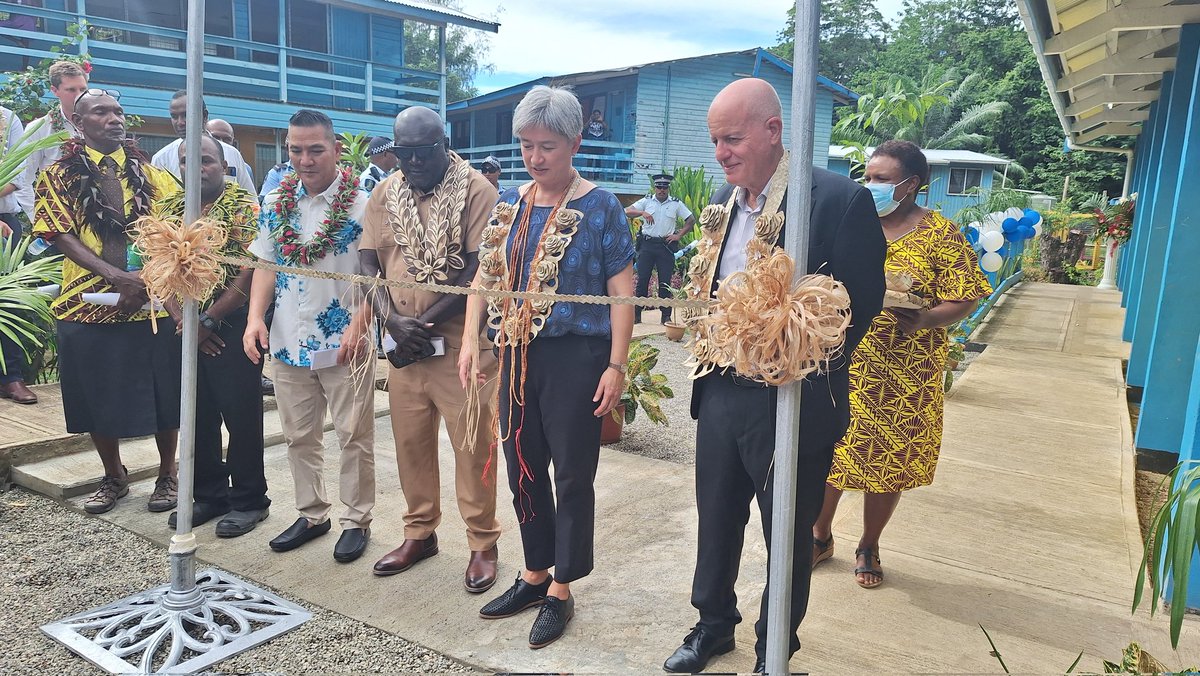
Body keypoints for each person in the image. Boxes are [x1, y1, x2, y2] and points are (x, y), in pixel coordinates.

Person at [662, 78, 885, 674]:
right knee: (716, 517)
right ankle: (712, 625)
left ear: (773, 130)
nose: (721, 153)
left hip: (792, 399)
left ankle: (774, 650)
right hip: (720, 391)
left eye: (731, 138)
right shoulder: (727, 201)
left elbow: (859, 302)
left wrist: (790, 354)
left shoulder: (836, 200)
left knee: (784, 534)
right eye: (715, 141)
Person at [459, 85, 635, 650]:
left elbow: (620, 293)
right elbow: (483, 279)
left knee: (572, 471)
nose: (536, 158)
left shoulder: (600, 205)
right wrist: (470, 343)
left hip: (575, 357)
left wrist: (616, 365)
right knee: (522, 463)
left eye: (549, 147)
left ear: (575, 143)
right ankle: (534, 571)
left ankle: (562, 585)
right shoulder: (510, 201)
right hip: (514, 352)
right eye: (528, 145)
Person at [812, 140, 992, 589]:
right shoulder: (851, 222)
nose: (868, 186)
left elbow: (966, 294)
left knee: (890, 460)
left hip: (906, 372)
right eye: (866, 177)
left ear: (910, 185)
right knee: (832, 452)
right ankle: (819, 536)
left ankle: (869, 544)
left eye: (880, 179)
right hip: (845, 362)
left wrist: (926, 318)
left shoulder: (939, 234)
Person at [359, 107, 501, 592]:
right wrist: (389, 318)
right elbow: (366, 259)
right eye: (405, 153)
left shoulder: (477, 190)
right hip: (404, 339)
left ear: (445, 143)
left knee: (472, 444)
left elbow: (479, 266)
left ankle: (483, 542)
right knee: (410, 443)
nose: (414, 162)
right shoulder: (386, 190)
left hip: (460, 342)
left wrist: (423, 322)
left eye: (424, 151)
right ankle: (420, 533)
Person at [32, 89, 183, 515]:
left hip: (149, 305)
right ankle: (114, 476)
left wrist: (147, 278)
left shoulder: (153, 176)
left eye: (118, 111)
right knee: (95, 396)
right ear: (79, 123)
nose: (114, 118)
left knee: (162, 393)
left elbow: (172, 229)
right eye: (101, 112)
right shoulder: (58, 176)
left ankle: (166, 475)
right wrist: (116, 276)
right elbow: (57, 232)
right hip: (86, 304)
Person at [243, 109, 376, 563]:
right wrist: (254, 318)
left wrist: (359, 328)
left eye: (315, 149)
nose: (305, 159)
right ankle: (312, 513)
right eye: (296, 150)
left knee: (353, 434)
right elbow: (265, 264)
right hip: (287, 341)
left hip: (345, 342)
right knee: (299, 436)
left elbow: (376, 277)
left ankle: (356, 520)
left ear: (336, 149)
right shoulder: (276, 203)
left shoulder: (364, 205)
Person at [155, 133, 271, 537]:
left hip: (233, 325)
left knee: (240, 416)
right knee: (195, 413)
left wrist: (208, 322)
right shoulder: (169, 207)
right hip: (182, 328)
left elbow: (250, 269)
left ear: (224, 166)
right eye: (187, 160)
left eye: (205, 160)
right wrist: (185, 323)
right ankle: (208, 494)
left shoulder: (245, 206)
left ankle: (249, 500)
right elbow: (157, 269)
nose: (196, 168)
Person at [0, 105, 37, 404]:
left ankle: (11, 377)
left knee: (7, 302)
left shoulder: (8, 118)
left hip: (4, 225)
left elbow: (17, 176)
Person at [151, 90, 255, 193]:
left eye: (186, 115)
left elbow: (250, 201)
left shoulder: (232, 153)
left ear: (204, 116)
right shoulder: (161, 159)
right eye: (174, 116)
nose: (180, 122)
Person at [624, 173, 694, 324]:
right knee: (642, 280)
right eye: (659, 187)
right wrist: (642, 212)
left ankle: (666, 316)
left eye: (664, 187)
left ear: (668, 189)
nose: (661, 190)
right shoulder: (647, 201)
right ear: (655, 188)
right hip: (647, 246)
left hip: (665, 246)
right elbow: (627, 211)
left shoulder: (675, 204)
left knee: (665, 282)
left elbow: (690, 220)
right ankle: (637, 314)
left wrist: (678, 236)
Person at [25, 61, 89, 180]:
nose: (79, 95)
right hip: (58, 196)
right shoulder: (39, 129)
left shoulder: (99, 124)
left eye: (83, 89)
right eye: (71, 90)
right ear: (55, 91)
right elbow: (24, 179)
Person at [206, 118, 255, 187]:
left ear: (233, 142)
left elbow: (248, 195)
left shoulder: (244, 168)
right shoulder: (193, 164)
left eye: (227, 139)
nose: (221, 143)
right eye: (216, 138)